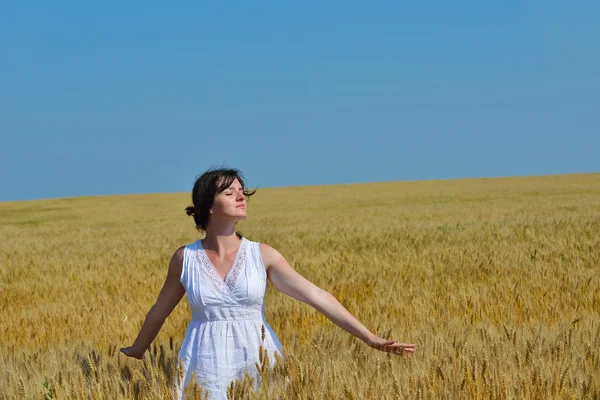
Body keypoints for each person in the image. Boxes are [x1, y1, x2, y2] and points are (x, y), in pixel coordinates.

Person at [120, 168, 415, 399]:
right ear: (209, 205)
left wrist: (370, 338)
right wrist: (138, 348)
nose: (241, 197)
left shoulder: (262, 255)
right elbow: (159, 310)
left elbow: (316, 296)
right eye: (230, 192)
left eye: (242, 191)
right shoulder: (186, 258)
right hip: (205, 361)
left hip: (257, 359)